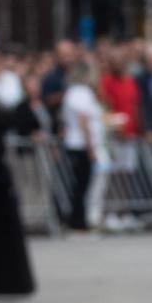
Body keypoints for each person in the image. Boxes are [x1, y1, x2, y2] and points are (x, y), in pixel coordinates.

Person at [58, 60, 105, 232]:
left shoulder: (71, 92)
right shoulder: (82, 92)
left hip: (76, 143)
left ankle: (77, 220)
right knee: (81, 186)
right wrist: (91, 147)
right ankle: (78, 222)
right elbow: (84, 121)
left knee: (80, 185)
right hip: (80, 144)